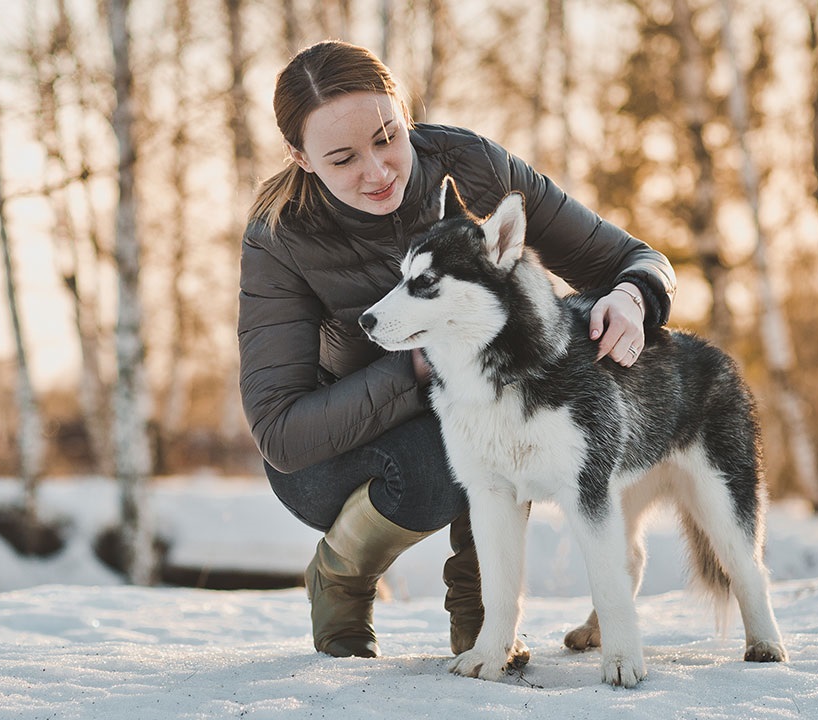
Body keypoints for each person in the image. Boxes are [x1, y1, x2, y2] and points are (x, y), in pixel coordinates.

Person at [238, 40, 677, 661]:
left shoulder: (472, 167)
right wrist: (420, 363)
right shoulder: (279, 238)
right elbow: (281, 432)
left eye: (388, 137)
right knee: (447, 452)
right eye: (342, 158)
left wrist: (633, 297)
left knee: (492, 416)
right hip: (334, 453)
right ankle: (341, 572)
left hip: (482, 412)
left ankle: (483, 618)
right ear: (300, 158)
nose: (379, 171)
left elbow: (633, 258)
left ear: (404, 113)